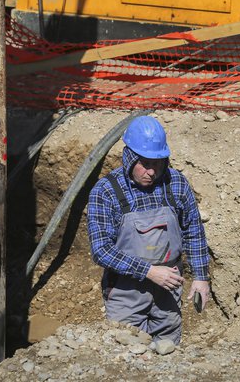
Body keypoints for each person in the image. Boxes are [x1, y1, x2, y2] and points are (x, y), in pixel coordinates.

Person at [87, 115, 211, 345]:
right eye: (145, 163)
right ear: (130, 158)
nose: (152, 172)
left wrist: (201, 277)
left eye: (157, 163)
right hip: (126, 292)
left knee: (168, 353)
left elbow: (193, 230)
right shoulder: (106, 191)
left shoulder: (175, 183)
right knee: (128, 355)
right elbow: (100, 250)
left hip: (169, 286)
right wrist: (149, 271)